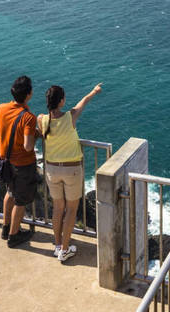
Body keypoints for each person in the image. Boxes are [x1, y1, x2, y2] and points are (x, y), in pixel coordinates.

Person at [37, 82, 102, 262]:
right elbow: (84, 101)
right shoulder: (70, 116)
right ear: (62, 101)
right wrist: (94, 91)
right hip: (71, 169)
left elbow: (42, 132)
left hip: (51, 169)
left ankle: (58, 245)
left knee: (58, 208)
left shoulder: (41, 119)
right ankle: (65, 250)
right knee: (71, 210)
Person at [0, 75, 39, 248]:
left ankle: (6, 227)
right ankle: (14, 235)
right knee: (21, 201)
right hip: (23, 165)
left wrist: (4, 129)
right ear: (29, 94)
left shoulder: (2, 108)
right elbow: (28, 146)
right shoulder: (28, 117)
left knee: (10, 193)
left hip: (6, 161)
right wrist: (37, 135)